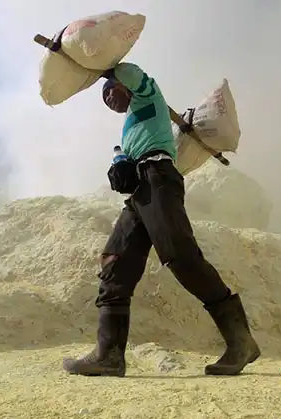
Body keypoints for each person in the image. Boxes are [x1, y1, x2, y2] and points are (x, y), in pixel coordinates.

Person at [62, 62, 260, 377]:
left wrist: (106, 70)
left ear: (124, 86)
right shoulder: (129, 128)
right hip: (140, 192)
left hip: (158, 179)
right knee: (115, 263)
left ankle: (241, 342)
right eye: (105, 98)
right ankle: (109, 355)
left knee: (181, 257)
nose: (109, 99)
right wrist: (121, 165)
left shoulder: (148, 96)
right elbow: (127, 165)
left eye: (111, 91)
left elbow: (133, 74)